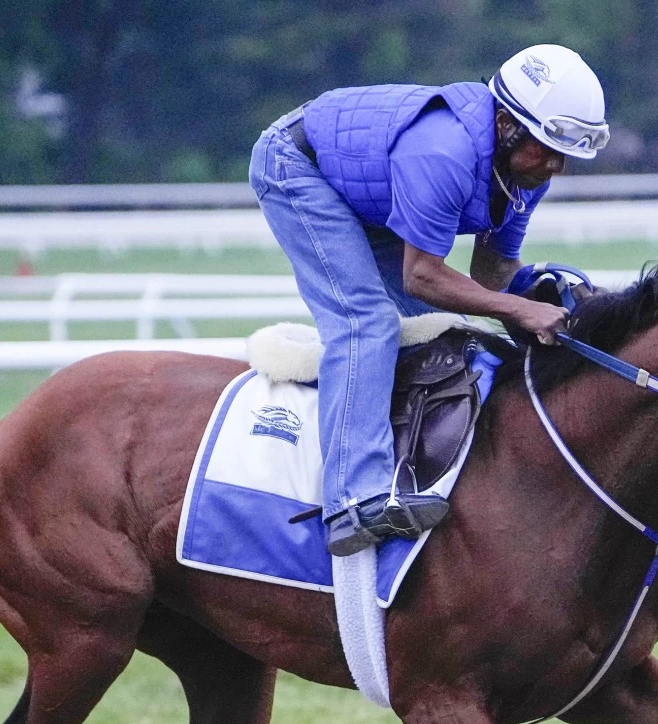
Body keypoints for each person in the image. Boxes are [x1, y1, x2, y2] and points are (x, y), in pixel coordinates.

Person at [249, 44, 611, 556]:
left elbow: (491, 272)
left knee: (440, 329)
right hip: (296, 165)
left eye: (566, 154)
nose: (557, 165)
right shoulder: (443, 152)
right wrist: (520, 309)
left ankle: (413, 467)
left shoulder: (526, 174)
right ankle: (353, 500)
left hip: (366, 189)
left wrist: (544, 292)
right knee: (367, 322)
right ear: (506, 125)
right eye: (548, 149)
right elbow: (421, 276)